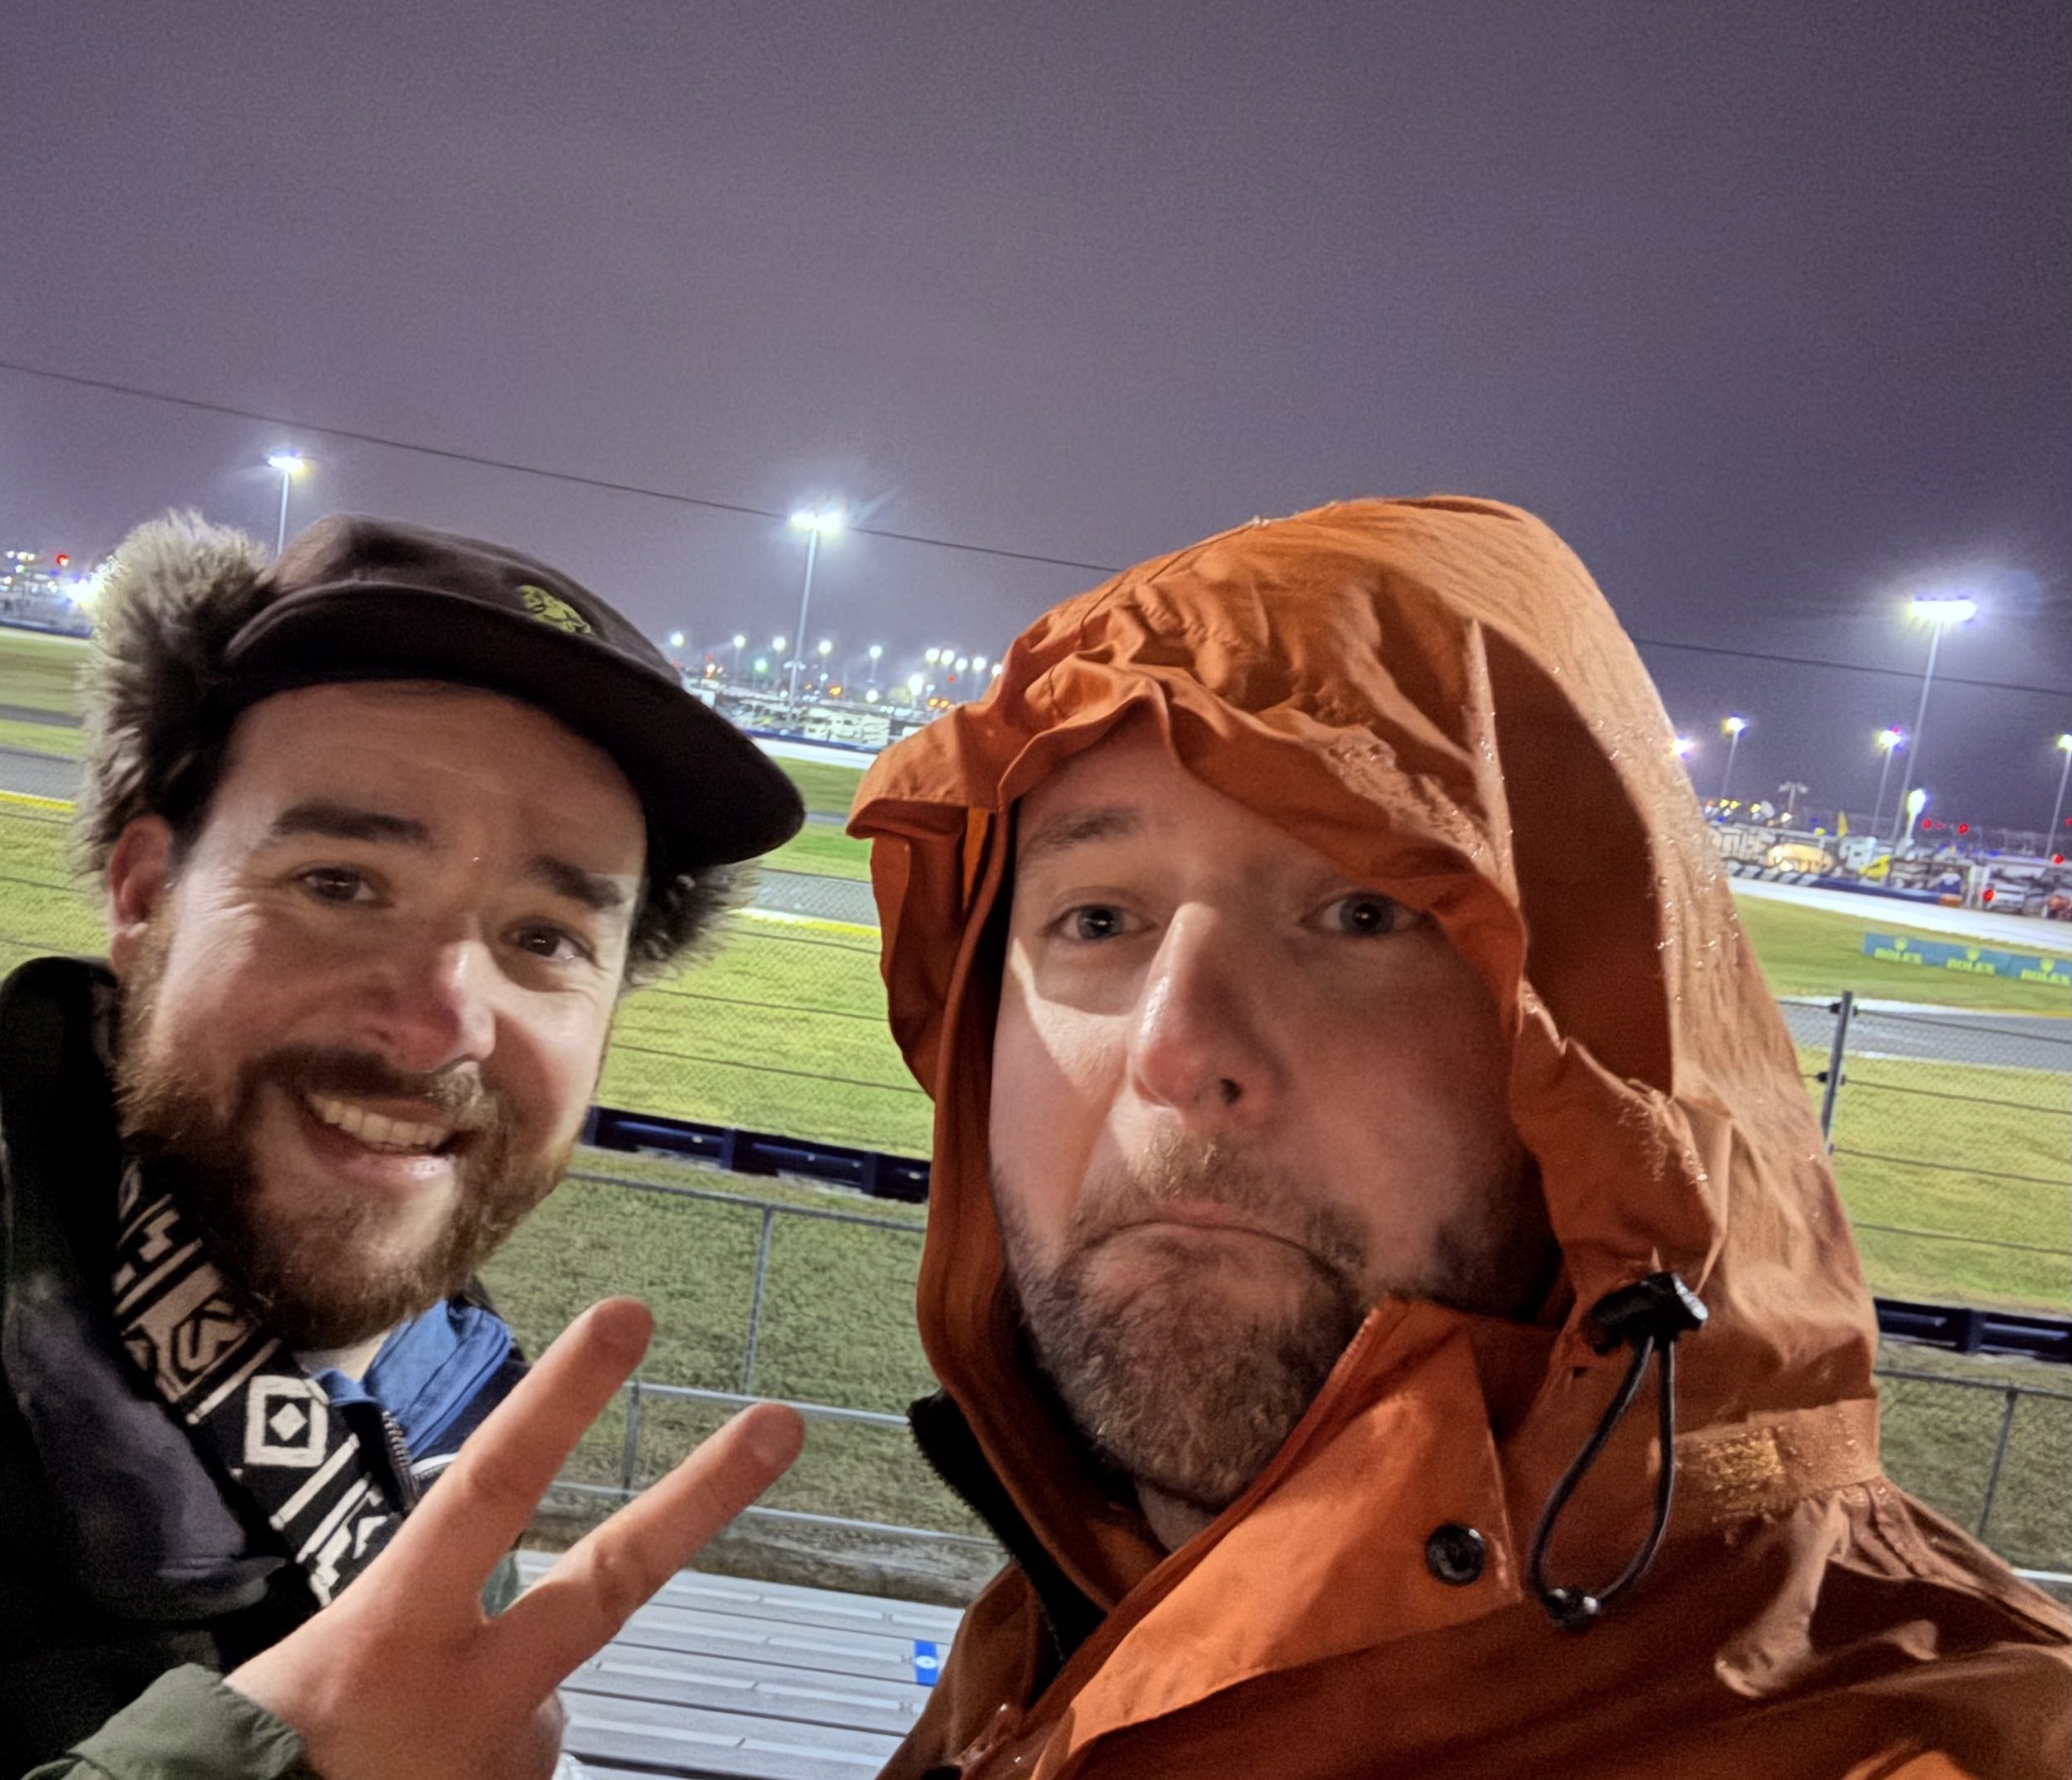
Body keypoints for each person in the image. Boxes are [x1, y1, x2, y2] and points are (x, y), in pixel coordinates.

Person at [846, 497, 2070, 1778]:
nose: (1176, 1050)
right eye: (1097, 920)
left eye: (1365, 912)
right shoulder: (1066, 1617)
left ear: (1595, 1057)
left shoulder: (1913, 1740)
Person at [0, 513, 807, 1778]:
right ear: (143, 893)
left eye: (546, 938)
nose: (444, 1017)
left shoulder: (423, 1375)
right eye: (339, 883)